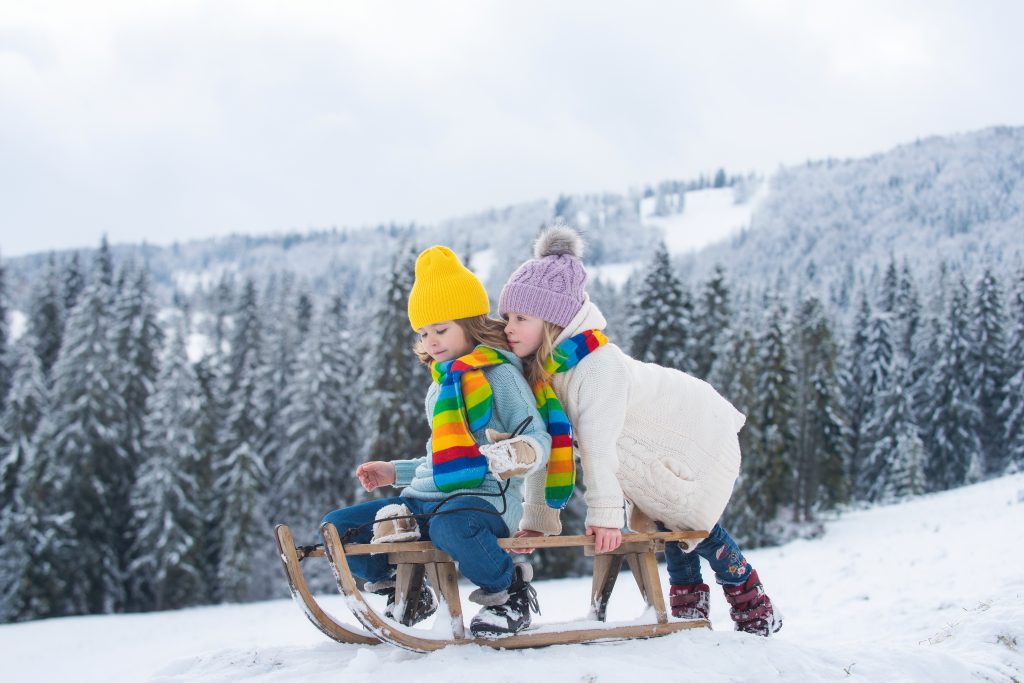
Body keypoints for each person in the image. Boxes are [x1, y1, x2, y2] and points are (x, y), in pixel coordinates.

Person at [500, 226, 782, 636]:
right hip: (642, 450)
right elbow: (550, 449)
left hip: (692, 429)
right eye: (506, 316)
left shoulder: (597, 367)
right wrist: (538, 520)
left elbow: (596, 448)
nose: (509, 327)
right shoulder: (547, 376)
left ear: (553, 322)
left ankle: (753, 605)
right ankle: (689, 609)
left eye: (520, 318)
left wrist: (606, 517)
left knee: (694, 523)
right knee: (666, 521)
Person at [321, 245, 550, 637]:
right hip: (426, 500)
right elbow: (440, 457)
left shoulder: (501, 377)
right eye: (424, 333)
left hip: (483, 500)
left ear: (471, 323)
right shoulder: (440, 389)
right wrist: (395, 471)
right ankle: (405, 590)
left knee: (451, 525)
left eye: (441, 330)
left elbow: (537, 438)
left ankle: (508, 590)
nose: (431, 341)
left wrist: (519, 452)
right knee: (339, 527)